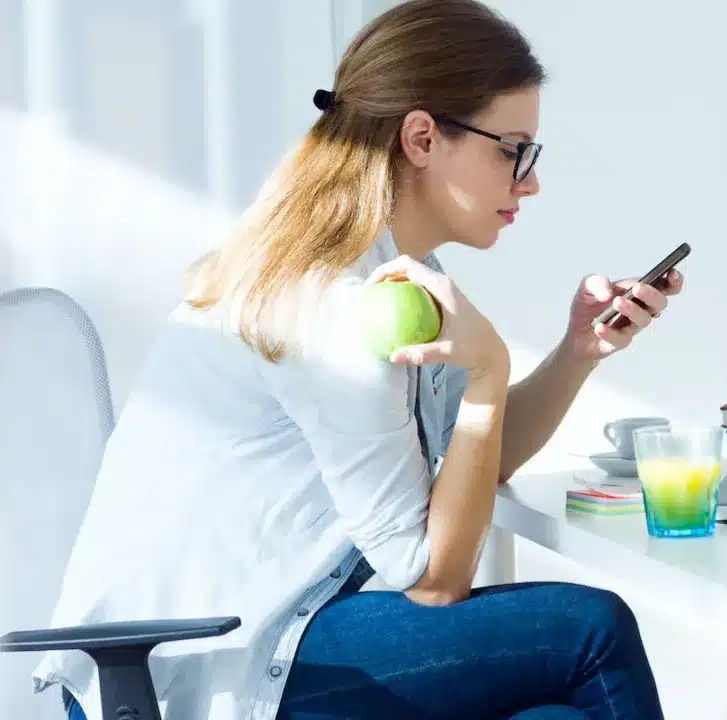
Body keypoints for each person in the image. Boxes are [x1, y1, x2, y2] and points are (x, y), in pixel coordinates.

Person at [34, 1, 683, 718]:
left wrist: (578, 351)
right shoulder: (333, 305)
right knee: (594, 630)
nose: (529, 182)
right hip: (202, 669)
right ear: (422, 138)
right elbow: (433, 577)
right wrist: (487, 375)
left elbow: (475, 469)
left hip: (268, 633)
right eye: (512, 149)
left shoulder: (393, 270)